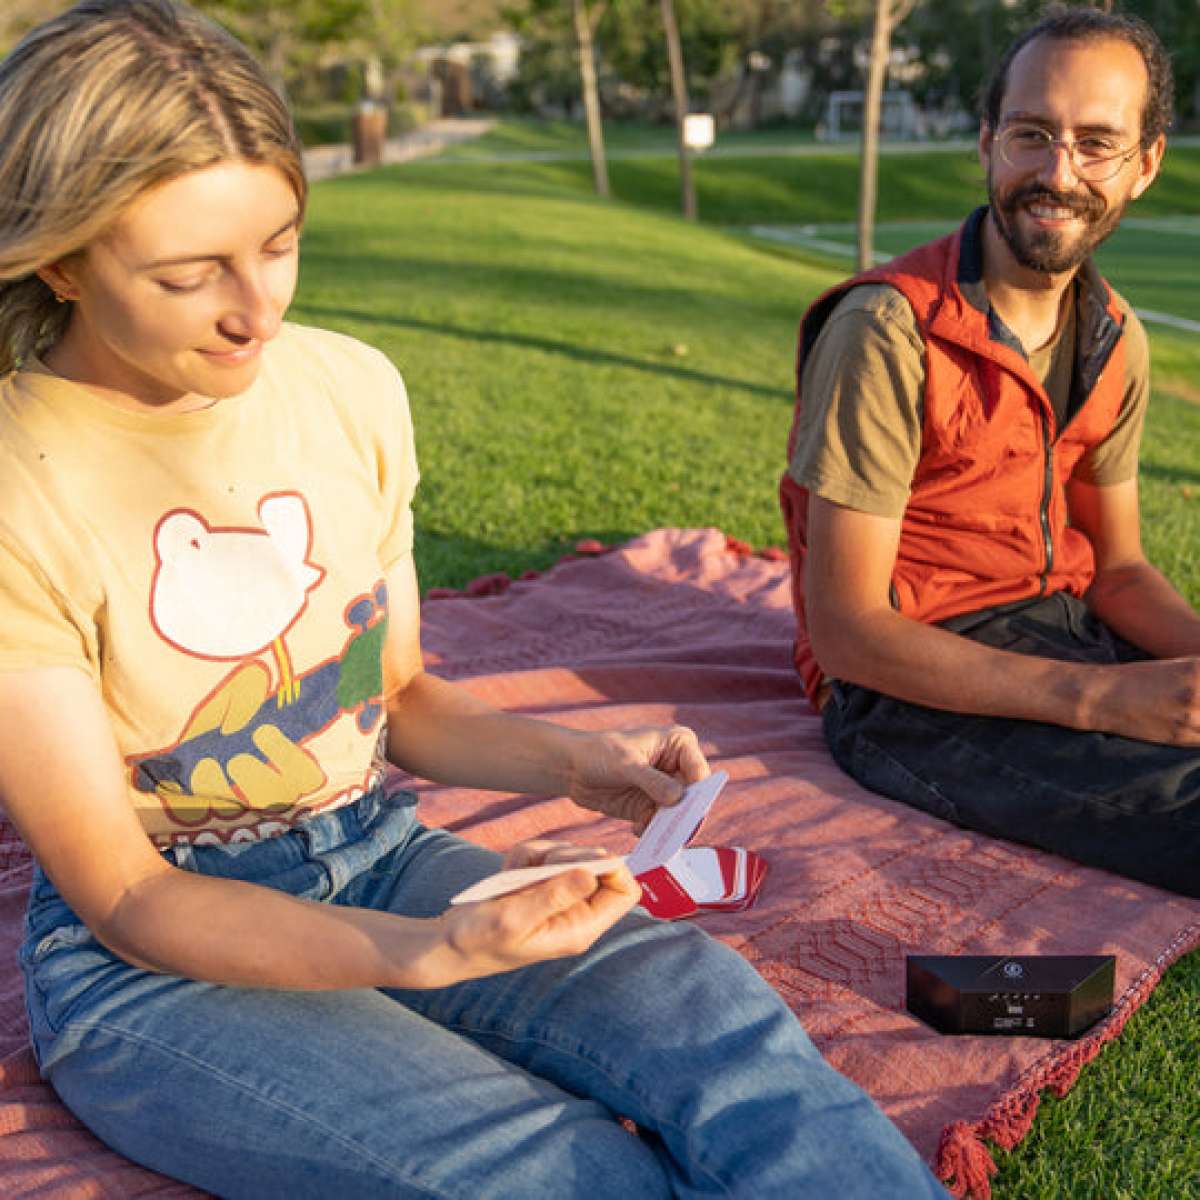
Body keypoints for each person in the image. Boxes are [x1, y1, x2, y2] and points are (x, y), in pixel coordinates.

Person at [0, 3, 948, 1196]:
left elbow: (392, 697)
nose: (258, 310)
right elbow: (130, 897)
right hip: (154, 966)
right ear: (61, 260)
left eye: (280, 244)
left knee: (711, 1014)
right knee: (546, 1171)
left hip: (378, 851)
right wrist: (427, 953)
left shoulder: (348, 389)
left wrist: (573, 765)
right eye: (191, 276)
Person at [781, 8, 1199, 898]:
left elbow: (1119, 571)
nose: (1058, 172)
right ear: (987, 143)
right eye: (1031, 134)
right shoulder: (888, 331)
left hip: (1059, 634)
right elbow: (846, 632)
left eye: (1096, 143)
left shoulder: (1116, 336)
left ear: (1146, 163)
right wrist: (1104, 701)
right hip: (907, 684)